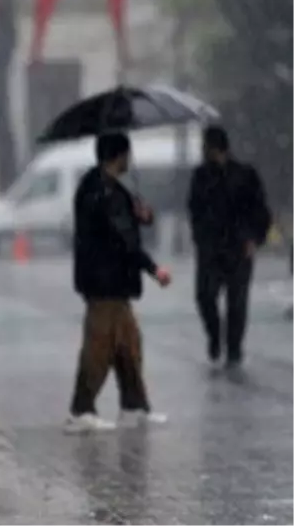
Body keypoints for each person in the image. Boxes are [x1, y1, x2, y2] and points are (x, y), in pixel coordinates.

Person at [65, 132, 171, 434]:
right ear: (118, 155)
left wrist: (143, 216)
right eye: (127, 154)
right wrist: (153, 269)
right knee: (98, 347)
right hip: (104, 283)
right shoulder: (102, 190)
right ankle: (81, 410)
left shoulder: (106, 188)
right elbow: (122, 239)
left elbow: (129, 222)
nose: (130, 160)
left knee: (128, 345)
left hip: (112, 282)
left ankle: (134, 406)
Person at [187, 126, 272, 367]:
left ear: (214, 148)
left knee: (237, 302)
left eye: (205, 146)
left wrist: (254, 238)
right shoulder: (201, 176)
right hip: (211, 247)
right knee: (205, 296)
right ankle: (215, 335)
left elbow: (260, 210)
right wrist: (200, 239)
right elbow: (194, 210)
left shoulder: (245, 175)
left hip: (238, 246)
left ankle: (234, 349)